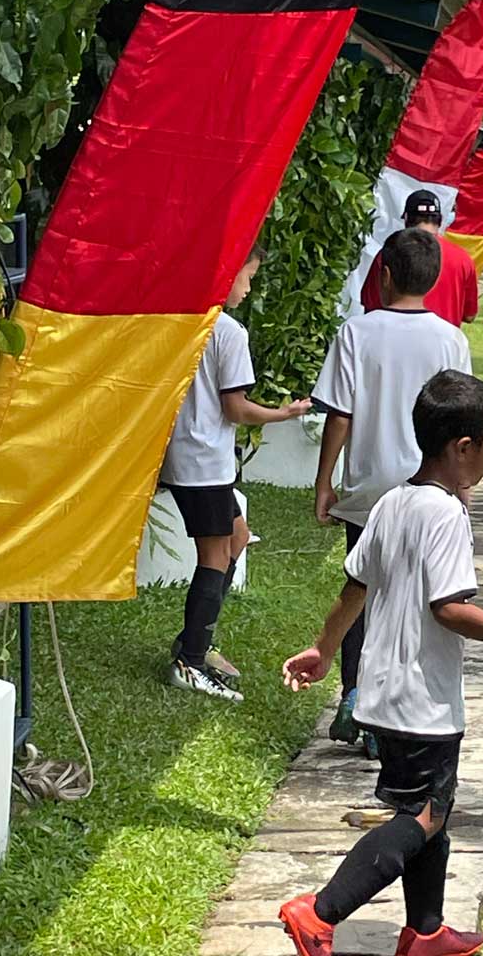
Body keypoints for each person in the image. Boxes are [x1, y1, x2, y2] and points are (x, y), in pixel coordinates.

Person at [279, 370, 483, 956]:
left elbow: (353, 588)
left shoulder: (392, 502)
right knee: (425, 816)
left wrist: (324, 649)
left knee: (436, 805)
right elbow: (450, 609)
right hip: (422, 700)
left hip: (384, 692)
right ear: (463, 447)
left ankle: (426, 932)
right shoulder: (445, 515)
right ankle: (319, 910)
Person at [313, 227, 472, 757]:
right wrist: (462, 487)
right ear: (434, 280)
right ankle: (400, 707)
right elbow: (460, 417)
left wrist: (325, 483)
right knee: (421, 597)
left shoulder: (357, 332)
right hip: (430, 485)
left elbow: (340, 414)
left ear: (381, 275)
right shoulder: (450, 338)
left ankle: (356, 694)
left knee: (363, 590)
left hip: (369, 489)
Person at [160, 245, 311, 701]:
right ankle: (189, 663)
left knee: (238, 538)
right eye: (248, 277)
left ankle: (196, 643)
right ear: (228, 276)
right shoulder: (228, 332)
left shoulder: (182, 322)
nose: (248, 288)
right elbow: (236, 408)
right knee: (215, 556)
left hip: (193, 459)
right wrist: (285, 413)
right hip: (203, 462)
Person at [360, 190, 478, 327]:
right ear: (439, 220)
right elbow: (469, 315)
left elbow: (371, 305)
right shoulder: (462, 259)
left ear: (407, 218)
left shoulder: (389, 253)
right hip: (444, 343)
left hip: (393, 342)